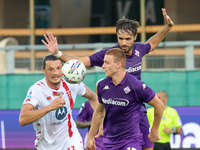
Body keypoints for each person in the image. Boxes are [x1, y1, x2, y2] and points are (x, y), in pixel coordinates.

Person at [42, 8, 173, 150]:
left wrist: (167, 28)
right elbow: (80, 61)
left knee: (148, 147)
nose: (123, 42)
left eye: (127, 39)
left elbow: (152, 44)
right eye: (120, 38)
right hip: (115, 113)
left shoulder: (138, 50)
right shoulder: (108, 56)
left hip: (136, 110)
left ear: (135, 37)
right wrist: (57, 53)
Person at [86, 48, 164, 150]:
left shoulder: (136, 85)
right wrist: (90, 137)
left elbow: (159, 105)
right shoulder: (102, 85)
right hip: (109, 142)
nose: (103, 66)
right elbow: (99, 112)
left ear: (118, 64)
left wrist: (154, 130)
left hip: (131, 141)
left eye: (106, 63)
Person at [18, 54, 98, 150]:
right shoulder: (37, 90)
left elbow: (94, 97)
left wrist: (99, 126)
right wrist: (50, 107)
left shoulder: (71, 82)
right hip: (45, 145)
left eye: (58, 68)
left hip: (70, 138)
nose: (55, 73)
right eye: (51, 69)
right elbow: (22, 119)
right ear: (43, 70)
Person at [76, 79, 103, 150]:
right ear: (96, 91)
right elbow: (78, 123)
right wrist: (95, 122)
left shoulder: (116, 104)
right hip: (94, 142)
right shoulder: (87, 104)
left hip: (112, 142)